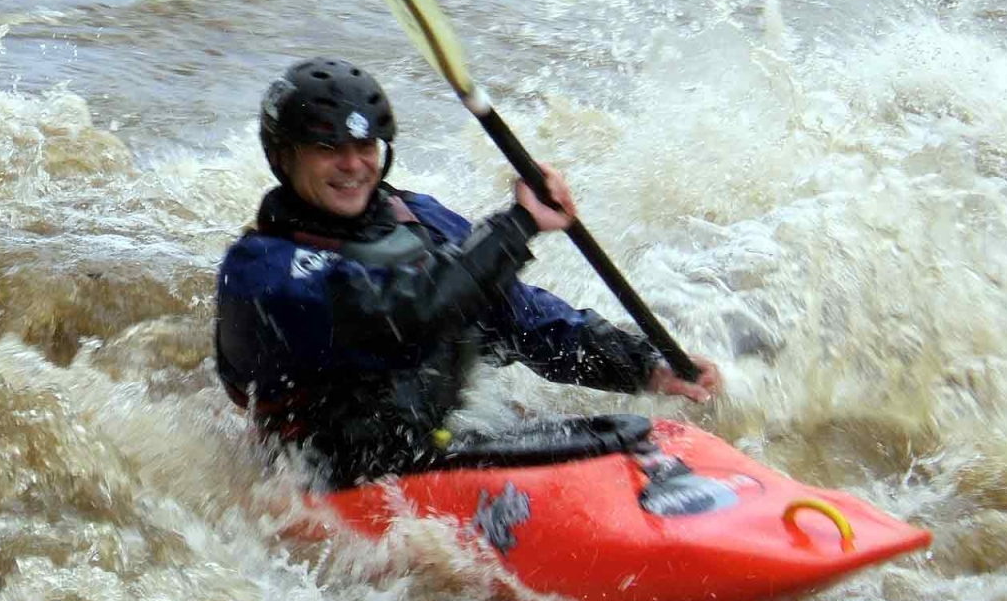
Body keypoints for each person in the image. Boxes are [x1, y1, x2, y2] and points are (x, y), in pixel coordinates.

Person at [215, 57, 722, 487]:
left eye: (365, 146)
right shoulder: (262, 270)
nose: (353, 165)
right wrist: (519, 224)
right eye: (328, 149)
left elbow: (521, 318)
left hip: (443, 446)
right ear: (284, 157)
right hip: (338, 477)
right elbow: (402, 318)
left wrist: (641, 364)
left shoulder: (417, 219)